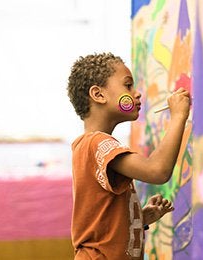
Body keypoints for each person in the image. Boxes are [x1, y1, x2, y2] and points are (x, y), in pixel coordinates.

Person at [67, 52, 190, 259]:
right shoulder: (97, 143)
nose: (137, 93)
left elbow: (101, 223)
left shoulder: (90, 146)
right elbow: (157, 171)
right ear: (98, 95)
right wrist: (178, 116)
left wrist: (139, 219)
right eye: (128, 85)